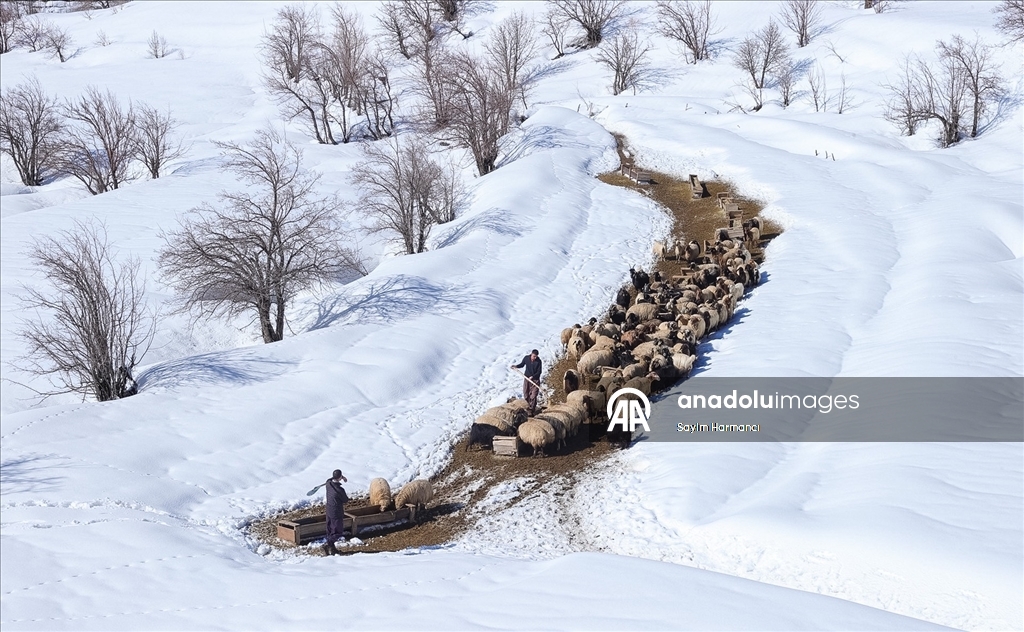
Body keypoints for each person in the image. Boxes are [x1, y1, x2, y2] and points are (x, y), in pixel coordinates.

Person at [323, 469, 349, 556]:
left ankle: (332, 549)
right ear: (339, 477)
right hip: (336, 512)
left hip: (329, 510)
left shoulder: (328, 483)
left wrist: (341, 477)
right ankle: (328, 545)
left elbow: (330, 479)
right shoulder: (340, 490)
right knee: (338, 532)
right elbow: (345, 500)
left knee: (330, 530)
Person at [511, 349, 542, 415]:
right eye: (534, 356)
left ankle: (532, 409)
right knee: (526, 393)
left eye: (536, 356)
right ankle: (528, 407)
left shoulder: (538, 361)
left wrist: (533, 376)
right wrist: (516, 366)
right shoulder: (526, 358)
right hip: (527, 378)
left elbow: (539, 372)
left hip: (535, 380)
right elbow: (522, 364)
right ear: (531, 354)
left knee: (533, 395)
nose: (535, 358)